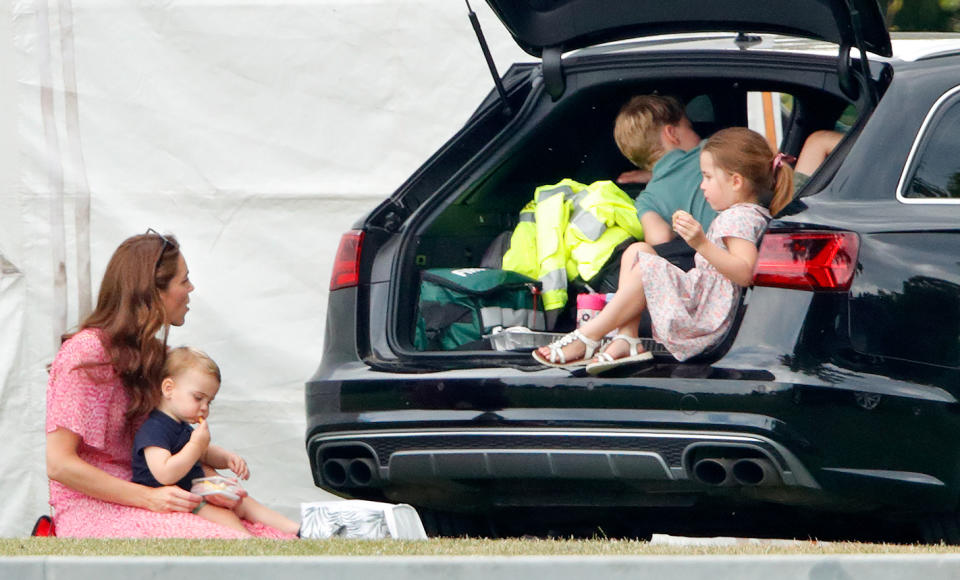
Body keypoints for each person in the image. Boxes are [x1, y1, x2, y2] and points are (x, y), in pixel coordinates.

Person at [45, 231, 296, 538]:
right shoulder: (86, 353)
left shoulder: (157, 356)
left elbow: (174, 442)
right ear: (153, 291)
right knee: (226, 541)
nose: (191, 289)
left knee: (268, 537)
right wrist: (149, 498)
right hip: (95, 507)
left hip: (161, 493)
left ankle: (303, 531)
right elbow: (59, 465)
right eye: (184, 280)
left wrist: (214, 483)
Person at [533, 127, 793, 371]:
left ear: (736, 181)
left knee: (645, 268)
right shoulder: (741, 214)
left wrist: (700, 243)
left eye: (708, 177)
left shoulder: (740, 217)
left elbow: (745, 272)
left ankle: (588, 336)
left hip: (705, 317)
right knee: (637, 251)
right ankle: (627, 339)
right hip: (702, 301)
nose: (702, 185)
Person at [132, 346, 301, 536]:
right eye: (198, 398)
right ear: (168, 389)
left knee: (243, 501)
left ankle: (297, 530)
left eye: (209, 402)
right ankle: (250, 542)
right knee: (222, 515)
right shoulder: (154, 429)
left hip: (194, 490)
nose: (204, 408)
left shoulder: (182, 425)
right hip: (174, 499)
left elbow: (205, 453)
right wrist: (196, 445)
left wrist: (226, 459)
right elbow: (165, 474)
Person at [613, 94, 719, 246]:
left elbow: (660, 239)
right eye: (689, 127)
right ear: (672, 133)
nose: (697, 134)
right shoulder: (714, 149)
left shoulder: (647, 200)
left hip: (714, 260)